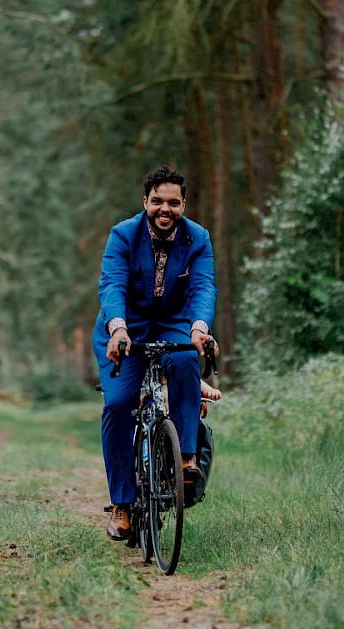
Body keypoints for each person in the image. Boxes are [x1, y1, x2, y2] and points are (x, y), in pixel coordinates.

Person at [93, 165, 218, 541]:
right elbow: (112, 284)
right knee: (118, 405)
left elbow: (203, 286)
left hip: (175, 324)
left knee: (183, 361)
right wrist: (118, 328)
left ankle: (185, 458)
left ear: (184, 204)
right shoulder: (122, 235)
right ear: (145, 201)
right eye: (158, 201)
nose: (166, 209)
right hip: (125, 328)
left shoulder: (198, 238)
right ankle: (122, 504)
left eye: (174, 203)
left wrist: (199, 328)